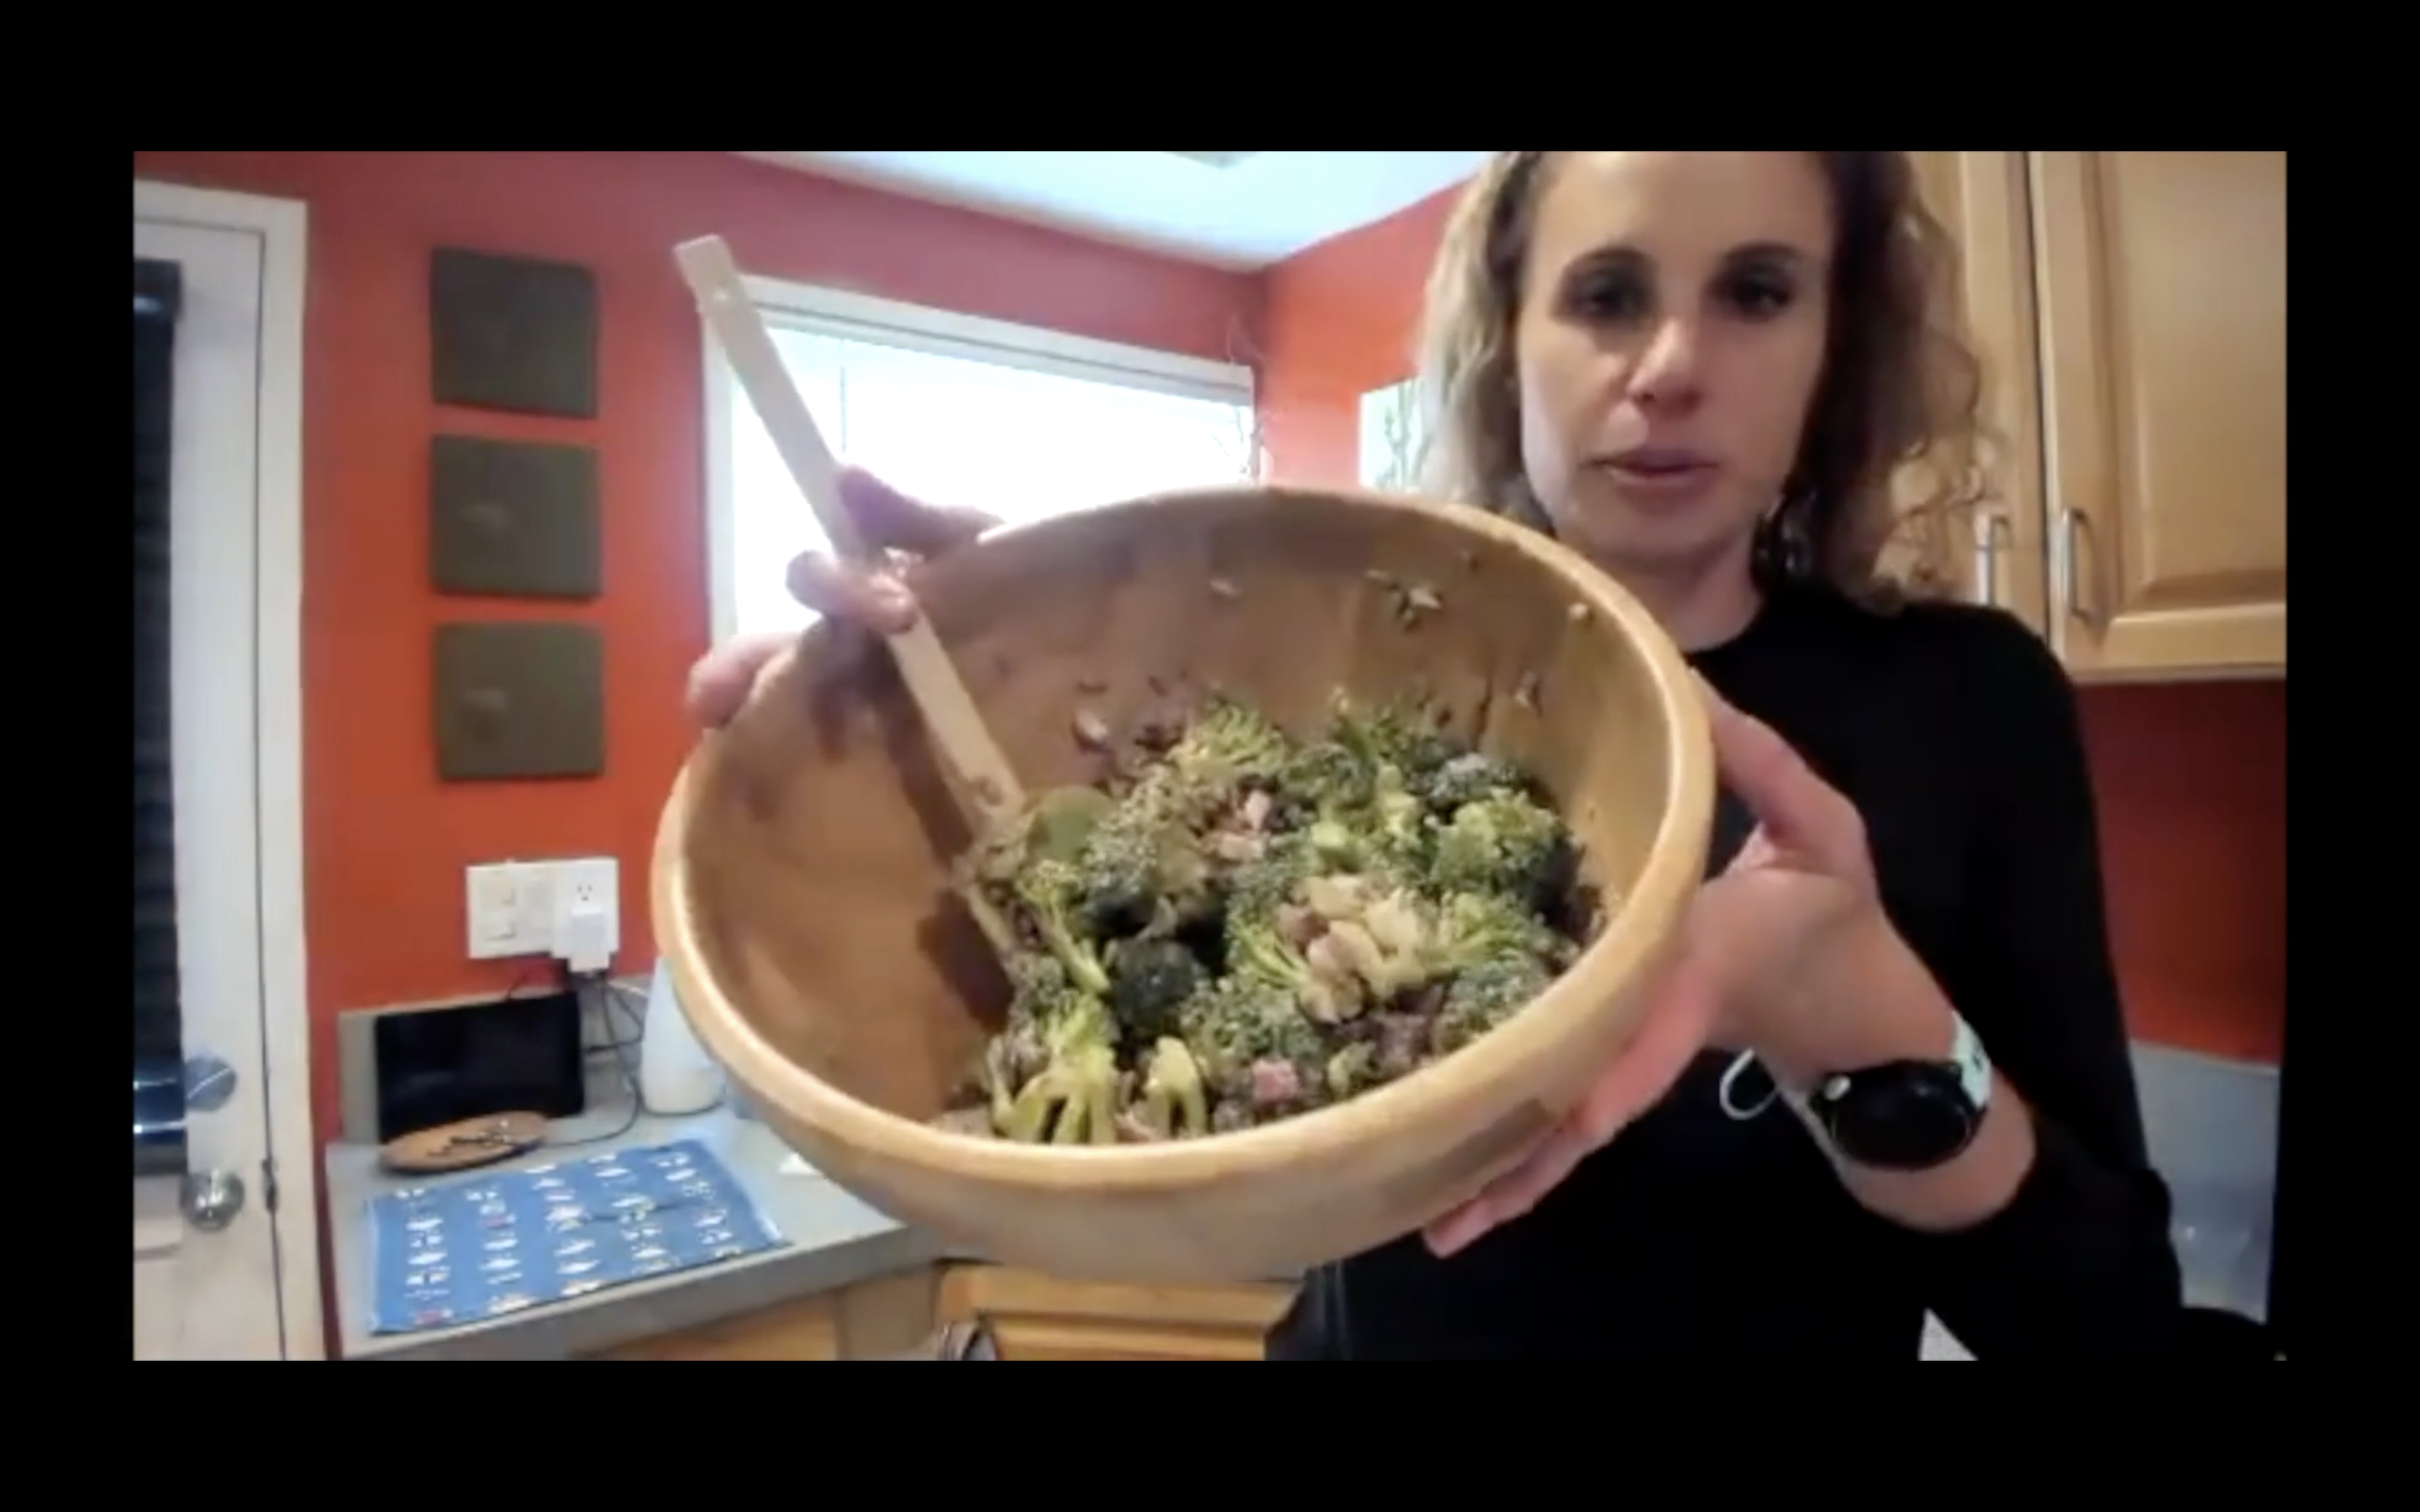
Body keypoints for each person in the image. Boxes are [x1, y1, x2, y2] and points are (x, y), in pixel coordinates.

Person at [687, 151, 2186, 1358]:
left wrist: (1864, 1026)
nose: (1671, 363)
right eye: (1606, 295)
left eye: (1755, 291)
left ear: (1830, 349)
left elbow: (2111, 1321)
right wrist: (890, 731)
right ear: (1510, 344)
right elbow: (1182, 1054)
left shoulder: (1968, 706)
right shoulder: (1367, 674)